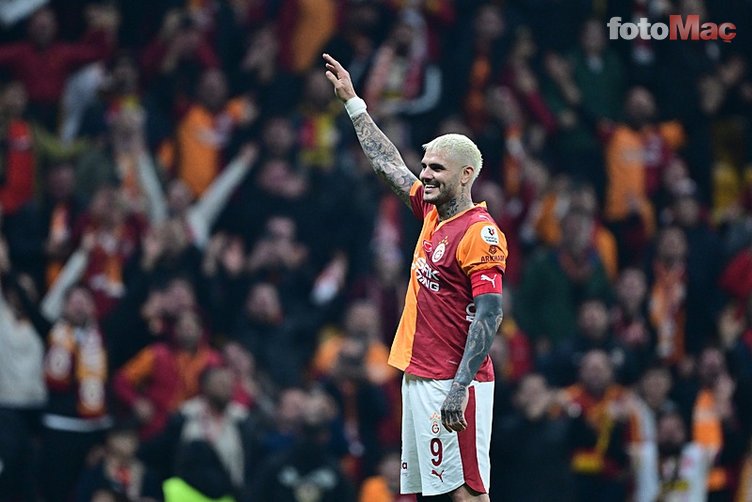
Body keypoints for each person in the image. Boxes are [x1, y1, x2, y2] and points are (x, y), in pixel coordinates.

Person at [323, 53, 507, 501]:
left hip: (454, 381)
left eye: (436, 169)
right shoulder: (432, 212)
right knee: (433, 493)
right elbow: (389, 165)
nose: (425, 175)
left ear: (466, 175)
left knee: (467, 493)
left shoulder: (479, 234)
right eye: (425, 166)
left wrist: (459, 388)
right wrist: (354, 105)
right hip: (421, 374)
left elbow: (490, 314)